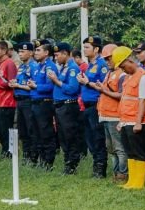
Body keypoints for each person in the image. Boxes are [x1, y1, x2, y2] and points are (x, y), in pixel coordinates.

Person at [114, 46, 145, 189]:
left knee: (139, 152)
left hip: (137, 121)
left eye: (124, 66)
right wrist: (121, 121)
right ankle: (132, 180)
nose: (123, 70)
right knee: (130, 151)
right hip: (126, 121)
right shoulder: (128, 78)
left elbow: (143, 101)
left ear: (130, 60)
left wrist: (138, 123)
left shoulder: (143, 77)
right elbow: (125, 99)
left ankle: (139, 182)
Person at [95, 44, 129, 182]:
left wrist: (104, 90)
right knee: (111, 148)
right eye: (106, 59)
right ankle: (116, 173)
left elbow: (121, 95)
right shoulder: (110, 73)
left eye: (110, 58)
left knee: (119, 147)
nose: (107, 61)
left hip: (115, 116)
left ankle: (123, 173)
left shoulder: (122, 75)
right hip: (105, 115)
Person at [48, 43, 83, 174]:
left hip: (68, 106)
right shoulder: (63, 68)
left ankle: (72, 165)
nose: (56, 58)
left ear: (65, 53)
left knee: (70, 136)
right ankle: (67, 162)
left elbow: (73, 89)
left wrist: (56, 81)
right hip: (60, 106)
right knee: (63, 137)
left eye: (57, 55)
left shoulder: (73, 68)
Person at [78, 36, 110, 178]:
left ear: (96, 49)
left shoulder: (102, 65)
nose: (84, 50)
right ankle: (95, 166)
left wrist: (86, 83)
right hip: (87, 106)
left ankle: (100, 168)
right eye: (84, 47)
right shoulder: (90, 65)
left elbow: (103, 86)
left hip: (96, 105)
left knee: (97, 138)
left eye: (87, 47)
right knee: (90, 138)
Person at [27, 42, 58, 170]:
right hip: (34, 102)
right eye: (35, 50)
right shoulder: (37, 66)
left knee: (46, 133)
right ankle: (40, 159)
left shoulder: (50, 67)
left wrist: (36, 86)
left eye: (39, 50)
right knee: (36, 133)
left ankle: (48, 162)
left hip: (44, 103)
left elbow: (51, 86)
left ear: (46, 53)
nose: (35, 52)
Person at [9, 42, 37, 163]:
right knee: (23, 130)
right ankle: (26, 156)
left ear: (31, 53)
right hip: (19, 100)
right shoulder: (21, 67)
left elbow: (32, 86)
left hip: (28, 100)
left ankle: (33, 156)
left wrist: (18, 85)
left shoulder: (33, 66)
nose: (20, 54)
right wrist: (14, 84)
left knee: (31, 129)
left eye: (23, 52)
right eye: (19, 52)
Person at [0, 41, 17, 158]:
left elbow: (10, 83)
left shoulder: (9, 64)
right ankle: (4, 151)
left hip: (7, 102)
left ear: (4, 51)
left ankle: (10, 152)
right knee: (1, 129)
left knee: (7, 128)